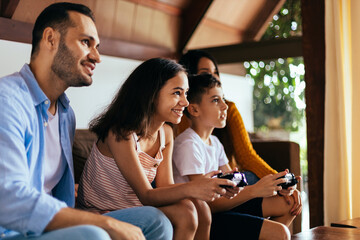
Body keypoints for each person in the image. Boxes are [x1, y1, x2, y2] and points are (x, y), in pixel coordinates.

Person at [0, 3, 173, 240]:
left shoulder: (65, 114)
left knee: (156, 222)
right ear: (50, 39)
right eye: (85, 42)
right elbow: (8, 198)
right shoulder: (7, 100)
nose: (97, 57)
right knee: (94, 235)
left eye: (97, 46)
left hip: (48, 228)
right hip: (11, 231)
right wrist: (105, 223)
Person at [77, 58, 238, 240]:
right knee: (187, 207)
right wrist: (193, 187)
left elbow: (165, 187)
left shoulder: (166, 134)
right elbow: (147, 196)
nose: (185, 102)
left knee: (190, 208)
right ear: (151, 94)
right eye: (177, 93)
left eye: (186, 93)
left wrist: (208, 187)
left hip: (135, 209)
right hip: (101, 214)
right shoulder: (121, 134)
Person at [172, 73, 302, 240]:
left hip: (222, 208)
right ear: (194, 109)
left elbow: (236, 184)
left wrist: (278, 185)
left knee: (287, 202)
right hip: (204, 217)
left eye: (223, 99)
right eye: (215, 100)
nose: (225, 106)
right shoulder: (188, 144)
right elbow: (206, 204)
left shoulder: (214, 142)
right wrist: (255, 190)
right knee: (281, 233)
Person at [177, 49, 278, 184]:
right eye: (206, 73)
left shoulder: (227, 112)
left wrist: (278, 180)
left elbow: (246, 156)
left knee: (251, 180)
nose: (215, 78)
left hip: (228, 179)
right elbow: (200, 190)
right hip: (210, 188)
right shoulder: (182, 122)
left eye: (216, 73)